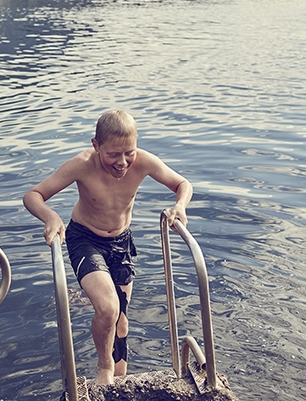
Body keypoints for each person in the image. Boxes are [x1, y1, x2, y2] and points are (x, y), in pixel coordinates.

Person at [23, 109, 193, 386]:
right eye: (113, 154)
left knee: (121, 323)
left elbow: (182, 183)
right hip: (86, 240)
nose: (122, 162)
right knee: (108, 308)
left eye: (129, 152)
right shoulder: (81, 164)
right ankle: (104, 371)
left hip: (121, 244)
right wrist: (51, 217)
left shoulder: (143, 162)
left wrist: (179, 206)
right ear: (96, 145)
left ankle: (119, 380)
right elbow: (33, 195)